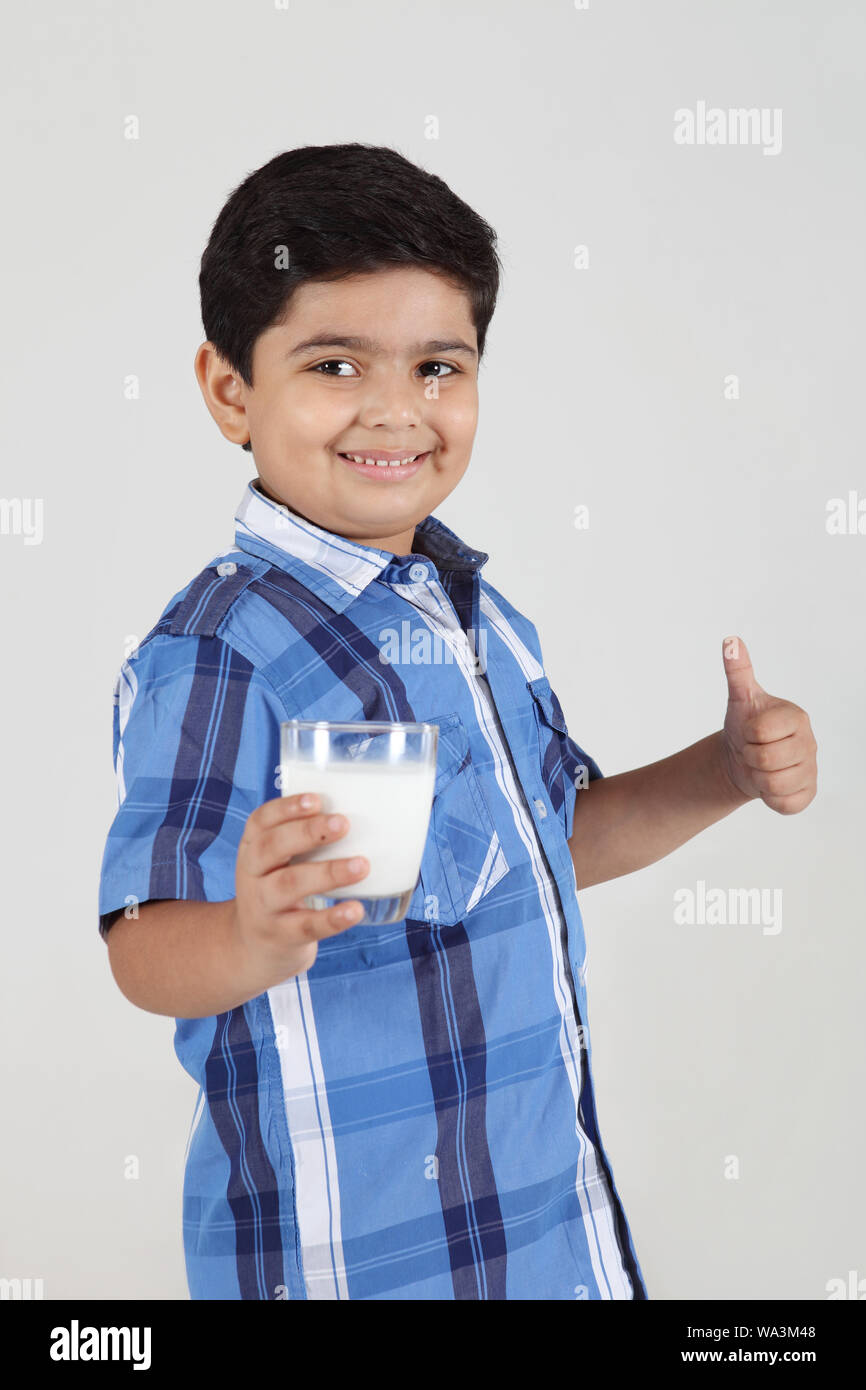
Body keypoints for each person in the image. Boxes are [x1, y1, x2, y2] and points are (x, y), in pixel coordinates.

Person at [98, 143, 818, 1300]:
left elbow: (546, 840)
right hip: (354, 1261)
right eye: (334, 363)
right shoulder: (218, 650)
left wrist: (721, 771)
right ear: (231, 389)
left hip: (542, 1240)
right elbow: (139, 942)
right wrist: (248, 933)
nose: (396, 408)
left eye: (438, 366)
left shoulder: (480, 618)